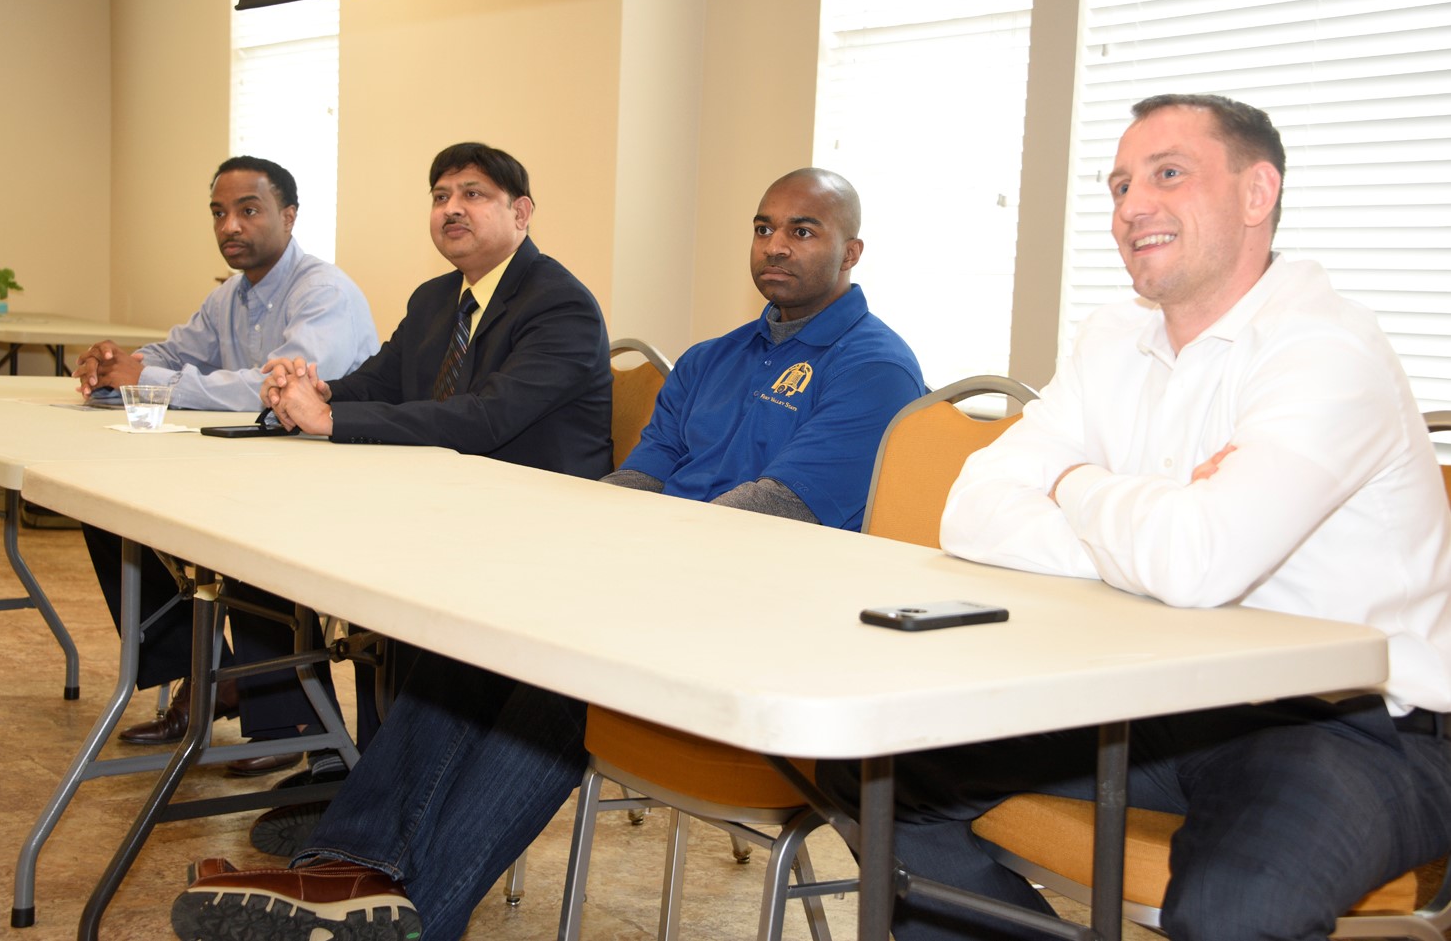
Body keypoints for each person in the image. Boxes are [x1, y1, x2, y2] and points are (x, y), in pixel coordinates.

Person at [171, 167, 925, 941]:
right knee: (483, 626)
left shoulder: (873, 367)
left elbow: (773, 512)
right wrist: (583, 548)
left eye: (803, 231)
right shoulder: (712, 358)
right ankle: (345, 872)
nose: (775, 246)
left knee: (564, 674)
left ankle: (415, 915)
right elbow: (638, 475)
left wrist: (615, 560)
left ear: (853, 250)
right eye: (765, 227)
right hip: (659, 585)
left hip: (757, 625)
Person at [817, 94, 1451, 941]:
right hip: (1152, 692)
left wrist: (1073, 485)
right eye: (1120, 185)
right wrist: (1145, 520)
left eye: (1168, 175)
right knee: (868, 768)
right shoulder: (1113, 337)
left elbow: (1196, 562)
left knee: (1233, 912)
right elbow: (972, 511)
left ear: (1257, 194)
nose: (1132, 206)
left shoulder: (1326, 350)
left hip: (1349, 724)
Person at [75, 157, 379, 771]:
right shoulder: (231, 296)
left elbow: (271, 391)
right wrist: (115, 364)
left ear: (289, 216)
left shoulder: (322, 292)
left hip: (332, 474)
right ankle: (207, 674)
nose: (230, 225)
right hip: (256, 464)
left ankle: (283, 718)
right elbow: (173, 350)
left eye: (248, 210)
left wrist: (152, 378)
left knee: (244, 534)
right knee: (106, 508)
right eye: (219, 212)